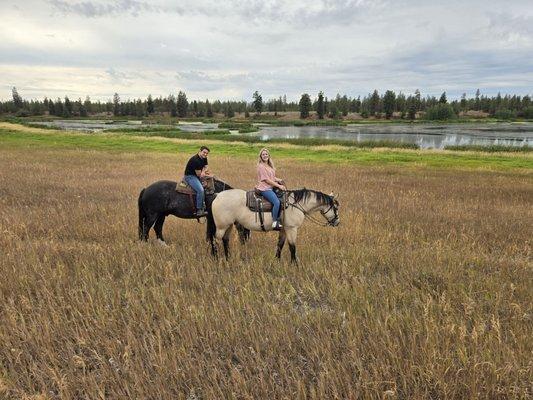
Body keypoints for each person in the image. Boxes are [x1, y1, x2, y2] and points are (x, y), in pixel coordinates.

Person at [255, 148, 286, 230]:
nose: (265, 156)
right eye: (263, 154)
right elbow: (266, 180)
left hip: (270, 187)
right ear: (261, 156)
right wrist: (279, 186)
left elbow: (271, 177)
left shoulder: (269, 165)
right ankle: (275, 222)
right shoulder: (261, 166)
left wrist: (279, 179)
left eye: (266, 154)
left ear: (269, 155)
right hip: (265, 188)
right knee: (276, 202)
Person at [184, 146, 212, 217]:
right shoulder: (195, 160)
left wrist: (203, 171)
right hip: (190, 176)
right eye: (204, 152)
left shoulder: (204, 158)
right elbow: (199, 175)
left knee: (211, 181)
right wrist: (203, 173)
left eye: (207, 153)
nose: (205, 154)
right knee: (201, 190)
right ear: (200, 151)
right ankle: (199, 209)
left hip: (198, 174)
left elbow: (206, 167)